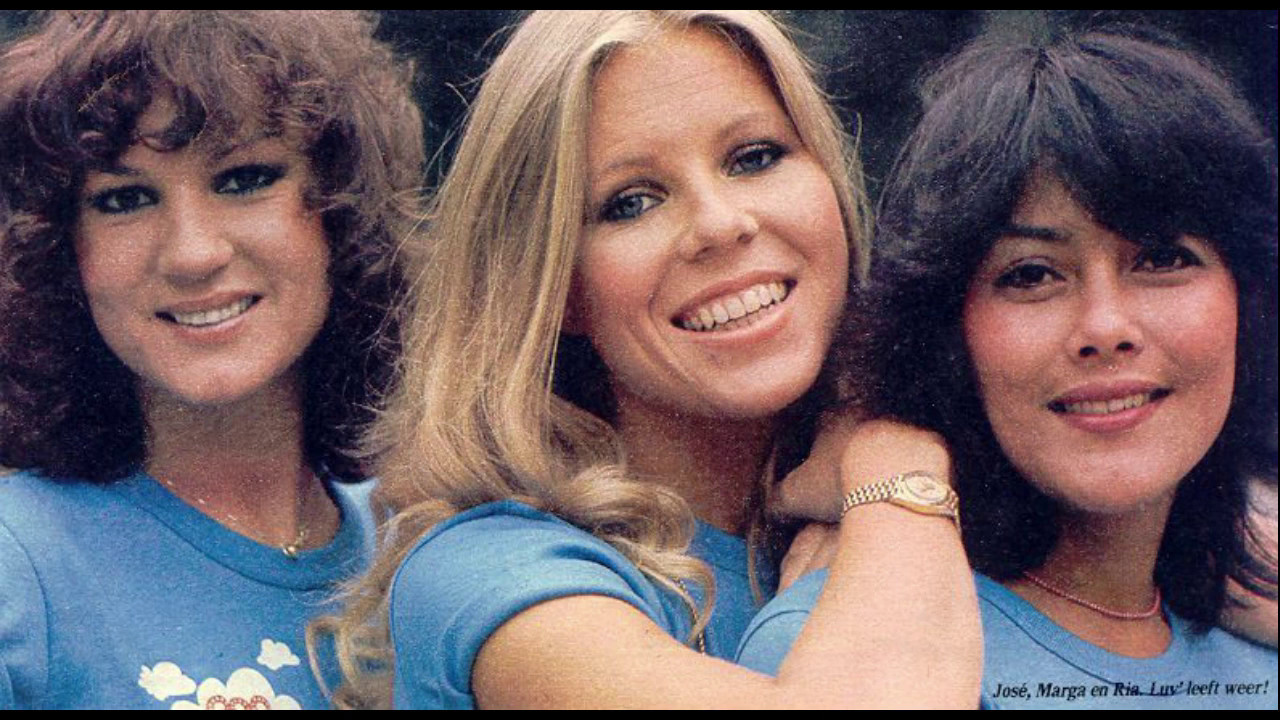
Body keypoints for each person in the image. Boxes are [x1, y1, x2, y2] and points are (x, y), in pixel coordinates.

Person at [327, 10, 981, 710]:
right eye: (631, 203)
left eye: (754, 157)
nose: (720, 225)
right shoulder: (485, 578)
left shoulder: (980, 496)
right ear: (556, 288)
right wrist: (895, 468)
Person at [736, 27, 1278, 709]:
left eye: (1163, 259)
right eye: (1032, 275)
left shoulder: (1254, 640)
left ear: (1247, 298)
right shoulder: (833, 655)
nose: (1105, 328)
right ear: (946, 330)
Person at [0, 10, 424, 709]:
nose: (194, 254)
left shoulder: (427, 545)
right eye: (125, 199)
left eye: (244, 179)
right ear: (59, 253)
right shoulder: (18, 568)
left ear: (344, 211)